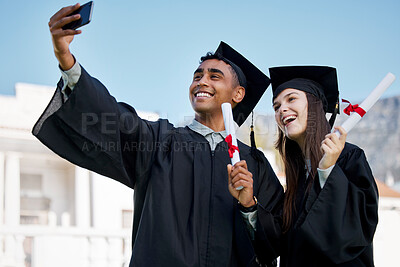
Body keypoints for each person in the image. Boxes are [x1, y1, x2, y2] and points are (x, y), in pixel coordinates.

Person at [32, 4, 284, 267]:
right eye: (197, 75)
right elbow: (110, 113)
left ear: (238, 94)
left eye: (214, 76)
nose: (201, 81)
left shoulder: (254, 164)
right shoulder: (159, 142)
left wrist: (249, 205)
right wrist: (65, 58)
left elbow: (273, 245)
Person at [265, 65, 379, 266]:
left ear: (315, 104)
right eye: (276, 106)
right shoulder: (297, 174)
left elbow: (357, 230)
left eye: (291, 99)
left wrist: (327, 170)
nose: (282, 109)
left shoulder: (349, 157)